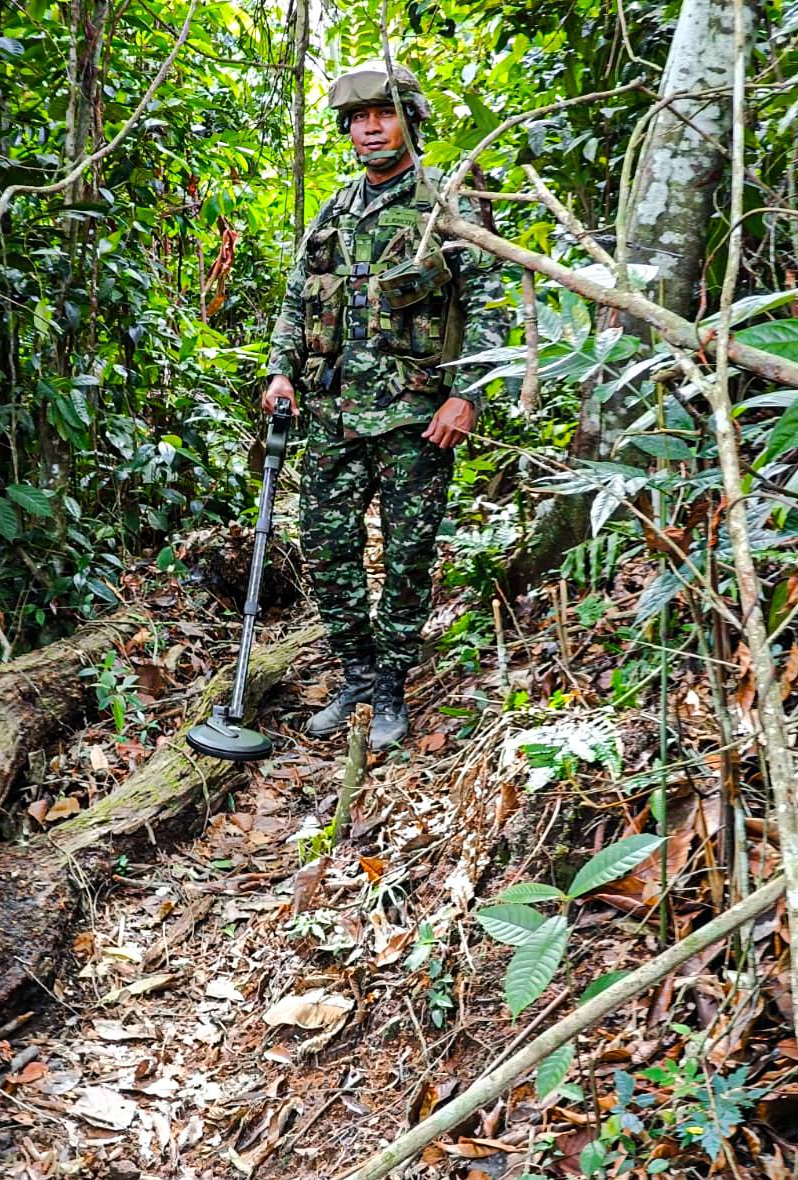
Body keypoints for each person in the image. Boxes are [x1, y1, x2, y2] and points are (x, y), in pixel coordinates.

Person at [262, 61, 505, 750]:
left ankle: (392, 688)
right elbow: (294, 299)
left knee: (406, 558)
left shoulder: (444, 203)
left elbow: (488, 304)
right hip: (334, 415)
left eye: (383, 115)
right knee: (328, 551)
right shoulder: (336, 210)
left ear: (410, 120)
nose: (370, 129)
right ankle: (358, 675)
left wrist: (468, 396)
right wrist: (281, 373)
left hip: (415, 418)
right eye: (358, 120)